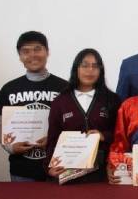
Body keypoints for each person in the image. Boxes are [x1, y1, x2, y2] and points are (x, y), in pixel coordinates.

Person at [0, 31, 68, 181]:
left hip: (57, 167)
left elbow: (74, 124)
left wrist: (54, 139)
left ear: (47, 52)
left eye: (37, 49)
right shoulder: (9, 89)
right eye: (26, 51)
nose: (32, 55)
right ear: (20, 56)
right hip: (21, 169)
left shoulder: (65, 88)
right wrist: (10, 147)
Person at [45, 49, 121, 183]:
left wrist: (104, 136)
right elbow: (52, 138)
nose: (90, 70)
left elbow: (120, 135)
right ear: (76, 68)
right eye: (85, 65)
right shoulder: (61, 101)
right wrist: (49, 166)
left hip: (102, 174)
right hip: (68, 174)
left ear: (100, 71)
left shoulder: (112, 99)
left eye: (95, 66)